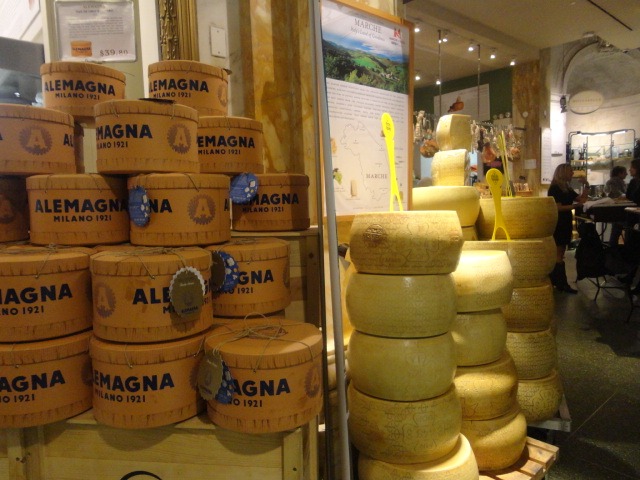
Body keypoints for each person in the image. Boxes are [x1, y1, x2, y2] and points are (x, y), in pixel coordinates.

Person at [548, 163, 589, 293]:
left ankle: (557, 282)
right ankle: (561, 283)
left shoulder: (566, 187)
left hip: (565, 221)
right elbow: (557, 207)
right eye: (570, 171)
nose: (572, 173)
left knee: (561, 252)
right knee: (559, 252)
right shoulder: (555, 188)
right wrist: (574, 206)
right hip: (558, 222)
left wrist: (586, 185)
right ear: (563, 172)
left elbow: (582, 200)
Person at [605, 165, 628, 246]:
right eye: (625, 172)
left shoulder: (618, 182)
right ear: (619, 173)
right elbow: (618, 195)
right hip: (617, 209)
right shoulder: (614, 182)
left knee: (616, 228)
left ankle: (612, 246)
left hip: (617, 209)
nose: (627, 174)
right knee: (619, 226)